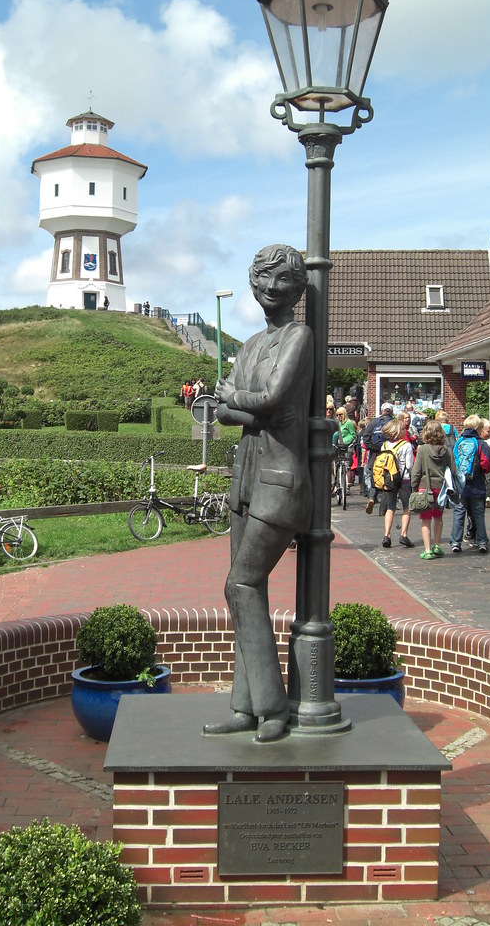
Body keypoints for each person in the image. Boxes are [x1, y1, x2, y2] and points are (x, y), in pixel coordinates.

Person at [204, 244, 312, 744]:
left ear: (296, 289)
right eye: (263, 279)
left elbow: (270, 398)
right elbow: (231, 409)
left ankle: (273, 707)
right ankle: (245, 707)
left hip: (279, 484)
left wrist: (244, 404)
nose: (270, 289)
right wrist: (250, 407)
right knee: (248, 592)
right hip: (245, 482)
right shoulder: (249, 345)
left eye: (282, 281)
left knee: (240, 585)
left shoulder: (300, 337)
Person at [410, 419, 456, 559]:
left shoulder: (422, 449)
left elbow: (416, 471)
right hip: (441, 488)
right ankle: (437, 546)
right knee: (438, 517)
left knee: (425, 520)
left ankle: (428, 549)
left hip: (425, 488)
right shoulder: (447, 451)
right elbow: (453, 470)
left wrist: (414, 487)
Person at [449, 415, 490, 554]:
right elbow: (487, 464)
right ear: (478, 428)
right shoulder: (481, 443)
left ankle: (456, 542)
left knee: (459, 513)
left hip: (460, 485)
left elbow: (452, 462)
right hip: (476, 484)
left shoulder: (458, 442)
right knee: (478, 514)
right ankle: (482, 541)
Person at [379, 419, 414, 549]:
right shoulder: (406, 445)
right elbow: (410, 465)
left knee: (390, 508)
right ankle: (403, 535)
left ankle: (386, 535)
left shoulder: (384, 445)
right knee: (406, 507)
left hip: (389, 480)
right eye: (403, 429)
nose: (405, 431)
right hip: (403, 480)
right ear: (398, 431)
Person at [361, 402, 395, 514]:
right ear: (391, 411)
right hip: (390, 455)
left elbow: (365, 438)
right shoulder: (394, 423)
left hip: (375, 456)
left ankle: (372, 498)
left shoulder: (373, 423)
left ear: (382, 411)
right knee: (387, 481)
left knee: (375, 479)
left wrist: (372, 448)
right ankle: (382, 510)